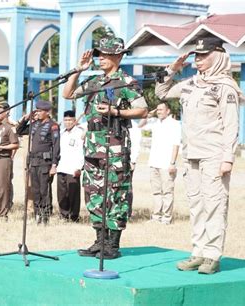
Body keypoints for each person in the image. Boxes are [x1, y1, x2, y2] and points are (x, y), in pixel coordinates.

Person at [155, 37, 244, 274]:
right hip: (191, 154)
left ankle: (212, 256)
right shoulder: (191, 83)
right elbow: (161, 92)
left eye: (203, 56)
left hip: (214, 155)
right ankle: (198, 252)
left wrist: (228, 158)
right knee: (196, 205)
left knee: (214, 204)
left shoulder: (225, 87)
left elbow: (231, 125)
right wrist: (173, 69)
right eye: (196, 55)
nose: (198, 60)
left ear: (218, 57)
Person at [62, 36, 148, 259]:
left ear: (118, 56)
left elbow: (143, 110)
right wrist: (79, 70)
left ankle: (112, 245)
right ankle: (99, 241)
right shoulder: (95, 82)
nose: (100, 59)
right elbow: (67, 94)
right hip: (92, 146)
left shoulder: (127, 82)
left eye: (106, 54)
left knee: (115, 195)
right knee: (94, 193)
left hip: (115, 146)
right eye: (99, 54)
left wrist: (116, 112)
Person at [17, 100, 60, 225]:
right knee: (35, 190)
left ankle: (45, 216)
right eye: (37, 111)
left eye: (41, 111)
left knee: (44, 190)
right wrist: (26, 118)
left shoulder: (53, 126)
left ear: (47, 112)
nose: (38, 113)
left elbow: (56, 146)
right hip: (34, 161)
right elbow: (19, 131)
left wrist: (54, 165)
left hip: (45, 162)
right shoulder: (34, 124)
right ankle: (37, 214)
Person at [147, 102, 181, 224]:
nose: (159, 111)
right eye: (158, 109)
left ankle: (167, 217)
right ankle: (156, 216)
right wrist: (149, 114)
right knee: (156, 191)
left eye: (161, 109)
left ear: (168, 111)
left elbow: (176, 144)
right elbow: (141, 125)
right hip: (154, 162)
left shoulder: (174, 124)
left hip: (166, 163)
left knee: (167, 192)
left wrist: (172, 163)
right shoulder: (155, 123)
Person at [56, 110, 85, 222]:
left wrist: (79, 167)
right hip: (61, 166)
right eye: (65, 120)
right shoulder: (61, 133)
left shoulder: (79, 133)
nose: (67, 122)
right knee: (62, 193)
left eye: (70, 120)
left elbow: (81, 152)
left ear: (74, 120)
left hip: (73, 168)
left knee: (73, 193)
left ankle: (74, 216)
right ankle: (63, 214)